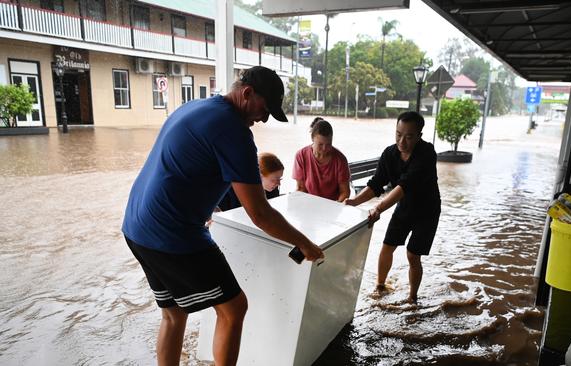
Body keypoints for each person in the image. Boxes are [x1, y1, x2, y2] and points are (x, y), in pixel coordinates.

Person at [122, 66, 324, 366]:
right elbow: (260, 213)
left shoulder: (195, 106)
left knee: (174, 313)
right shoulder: (234, 131)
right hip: (172, 233)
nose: (264, 118)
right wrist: (305, 243)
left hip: (136, 227)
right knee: (234, 308)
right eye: (264, 108)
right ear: (247, 93)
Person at [345, 111, 441, 304]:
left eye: (409, 136)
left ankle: (412, 298)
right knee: (387, 246)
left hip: (427, 211)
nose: (402, 142)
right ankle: (380, 287)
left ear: (419, 136)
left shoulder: (427, 153)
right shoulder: (390, 154)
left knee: (413, 255)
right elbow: (376, 184)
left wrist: (378, 208)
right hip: (404, 207)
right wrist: (354, 202)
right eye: (398, 134)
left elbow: (404, 186)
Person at [293, 117, 351, 202]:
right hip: (308, 204)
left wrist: (335, 206)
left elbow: (345, 192)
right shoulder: (301, 156)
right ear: (312, 139)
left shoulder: (340, 160)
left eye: (328, 144)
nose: (324, 148)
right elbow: (301, 188)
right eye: (320, 144)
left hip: (333, 205)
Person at [218, 152, 284, 211]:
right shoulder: (230, 190)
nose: (279, 183)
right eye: (274, 180)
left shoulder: (272, 189)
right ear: (258, 176)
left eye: (280, 179)